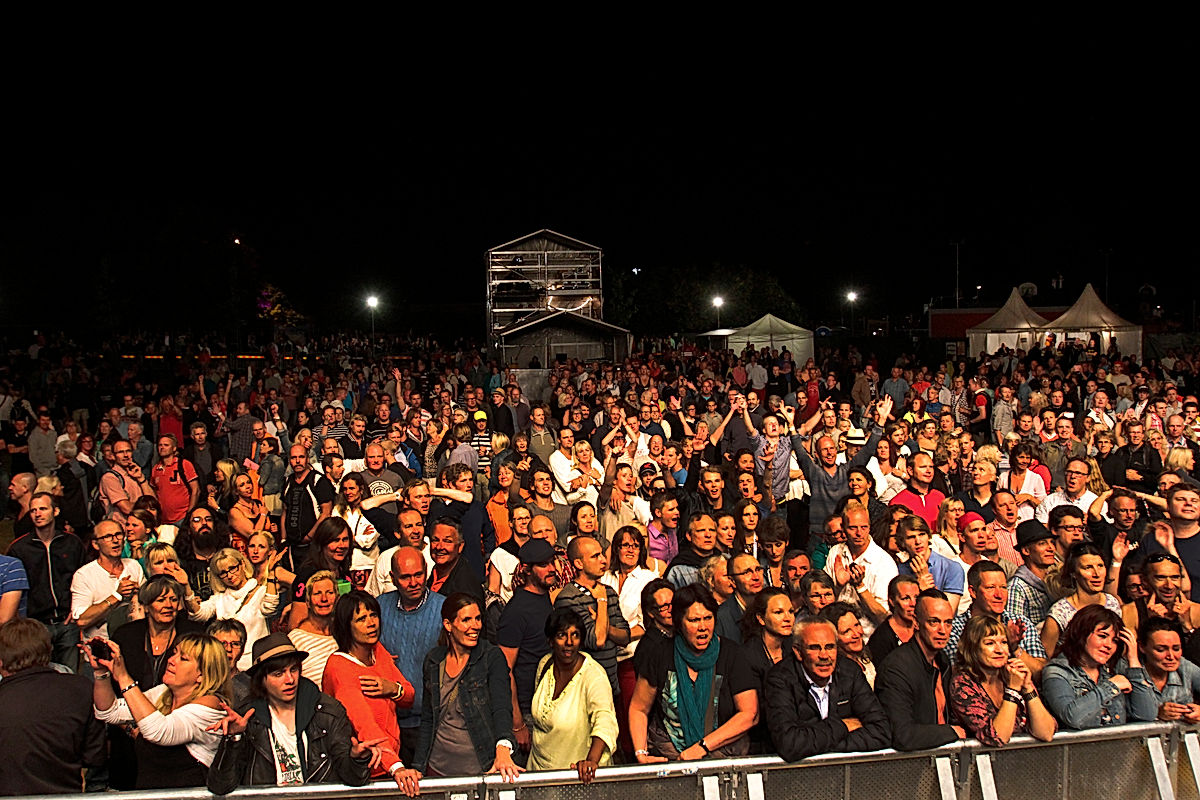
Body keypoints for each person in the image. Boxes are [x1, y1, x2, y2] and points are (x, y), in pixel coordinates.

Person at [206, 632, 376, 790]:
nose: (290, 680)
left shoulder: (327, 711)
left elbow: (354, 779)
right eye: (278, 674)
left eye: (293, 669)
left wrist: (357, 759)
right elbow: (220, 786)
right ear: (261, 680)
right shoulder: (247, 717)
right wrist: (234, 739)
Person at [394, 593, 521, 795]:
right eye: (466, 620)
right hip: (438, 769)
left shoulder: (490, 657)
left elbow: (501, 707)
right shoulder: (434, 661)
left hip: (480, 768)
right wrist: (418, 766)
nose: (475, 626)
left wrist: (503, 747)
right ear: (448, 624)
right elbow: (429, 719)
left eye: (478, 618)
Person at [628, 583, 758, 761]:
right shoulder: (659, 654)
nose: (703, 627)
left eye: (708, 618)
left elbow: (749, 714)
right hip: (669, 755)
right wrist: (640, 752)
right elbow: (639, 708)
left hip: (724, 756)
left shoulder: (732, 654)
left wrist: (702, 747)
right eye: (694, 620)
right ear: (679, 622)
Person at [88, 633, 229, 788]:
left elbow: (158, 731)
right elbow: (109, 712)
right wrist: (101, 672)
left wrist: (123, 678)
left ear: (202, 675)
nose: (171, 660)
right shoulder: (163, 693)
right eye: (175, 653)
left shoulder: (211, 706)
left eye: (184, 658)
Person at [0, 618, 106, 795]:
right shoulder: (81, 688)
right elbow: (95, 756)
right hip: (65, 795)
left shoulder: (81, 689)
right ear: (49, 650)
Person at [764, 616, 890, 761]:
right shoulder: (780, 679)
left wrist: (816, 745)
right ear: (798, 652)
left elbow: (882, 731)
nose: (824, 656)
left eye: (830, 647)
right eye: (814, 647)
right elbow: (790, 744)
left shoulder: (850, 671)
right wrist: (842, 726)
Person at [322, 591, 414, 786]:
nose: (371, 623)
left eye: (373, 615)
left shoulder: (377, 650)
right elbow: (364, 724)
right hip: (361, 772)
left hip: (389, 765)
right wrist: (396, 766)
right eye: (361, 619)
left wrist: (392, 689)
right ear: (346, 626)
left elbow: (409, 695)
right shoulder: (339, 666)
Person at [527, 608, 619, 780]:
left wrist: (590, 762)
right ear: (550, 641)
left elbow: (605, 720)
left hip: (576, 776)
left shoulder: (593, 675)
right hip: (538, 771)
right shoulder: (545, 665)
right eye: (562, 635)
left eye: (575, 635)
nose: (569, 642)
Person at [379, 547, 447, 764]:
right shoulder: (379, 608)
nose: (414, 582)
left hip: (433, 722)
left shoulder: (444, 608)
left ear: (426, 570)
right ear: (393, 578)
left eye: (418, 575)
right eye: (406, 577)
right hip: (390, 722)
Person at [1041, 605, 1158, 729]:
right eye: (1102, 636)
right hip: (1078, 748)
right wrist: (1111, 686)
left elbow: (1147, 714)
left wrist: (1133, 661)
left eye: (1115, 641)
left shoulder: (1116, 669)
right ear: (1081, 632)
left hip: (1118, 746)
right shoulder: (1057, 671)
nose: (1109, 645)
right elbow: (1072, 718)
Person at [875, 590, 964, 750]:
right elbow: (903, 735)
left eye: (948, 623)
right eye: (934, 622)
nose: (943, 631)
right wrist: (950, 732)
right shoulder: (896, 668)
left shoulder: (942, 660)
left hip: (941, 760)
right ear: (916, 622)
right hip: (910, 766)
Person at [7, 492, 87, 669]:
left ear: (55, 511)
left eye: (43, 508)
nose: (37, 514)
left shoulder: (72, 543)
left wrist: (76, 609)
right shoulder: (19, 548)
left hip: (68, 622)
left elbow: (84, 578)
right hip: (37, 625)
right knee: (42, 677)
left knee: (69, 677)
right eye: (33, 510)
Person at [950, 615, 1057, 746]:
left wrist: (1028, 687)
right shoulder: (963, 684)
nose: (1000, 650)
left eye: (1004, 642)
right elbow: (998, 737)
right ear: (973, 648)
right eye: (990, 643)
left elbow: (1046, 733)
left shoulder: (1012, 674)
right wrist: (1012, 691)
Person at [497, 539, 558, 753]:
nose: (552, 569)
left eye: (552, 562)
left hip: (549, 705)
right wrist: (518, 723)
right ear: (527, 570)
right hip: (528, 710)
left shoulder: (546, 599)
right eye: (543, 565)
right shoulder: (516, 611)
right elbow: (505, 670)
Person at [185, 547, 282, 670]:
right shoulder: (219, 598)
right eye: (223, 573)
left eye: (232, 568)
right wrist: (186, 587)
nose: (230, 575)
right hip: (226, 664)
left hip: (256, 663)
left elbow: (270, 608)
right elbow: (198, 614)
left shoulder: (261, 591)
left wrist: (271, 573)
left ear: (242, 564)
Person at [71, 519, 145, 643]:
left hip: (134, 644)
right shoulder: (84, 575)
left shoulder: (133, 566)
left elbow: (148, 604)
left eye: (118, 535)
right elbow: (81, 620)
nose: (115, 540)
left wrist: (140, 593)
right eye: (108, 537)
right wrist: (116, 596)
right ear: (95, 544)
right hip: (102, 649)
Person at [1042, 543, 1122, 656]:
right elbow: (1045, 659)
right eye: (1088, 567)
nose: (1097, 574)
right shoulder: (1059, 612)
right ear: (1073, 573)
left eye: (1100, 566)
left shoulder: (1112, 603)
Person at [1131, 617, 1200, 721]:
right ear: (1142, 647)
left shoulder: (1185, 667)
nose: (1171, 656)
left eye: (1176, 649)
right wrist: (1157, 713)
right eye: (1161, 650)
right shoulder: (1129, 670)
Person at [896, 514, 964, 608]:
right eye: (911, 537)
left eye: (922, 534)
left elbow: (948, 613)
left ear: (928, 536)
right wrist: (919, 588)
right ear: (902, 542)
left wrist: (927, 590)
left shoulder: (952, 567)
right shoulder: (899, 570)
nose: (918, 541)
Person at [286, 570, 339, 683]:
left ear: (337, 598)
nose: (324, 599)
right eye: (317, 594)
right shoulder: (295, 639)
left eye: (329, 592)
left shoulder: (343, 633)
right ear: (308, 601)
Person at [1007, 519, 1058, 629]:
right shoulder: (1016, 588)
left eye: (1052, 543)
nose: (1051, 548)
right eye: (1042, 543)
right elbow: (1016, 632)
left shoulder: (1055, 582)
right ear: (1026, 550)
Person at [821, 601, 877, 687]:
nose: (856, 634)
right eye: (847, 631)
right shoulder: (836, 673)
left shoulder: (864, 656)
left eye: (856, 625)